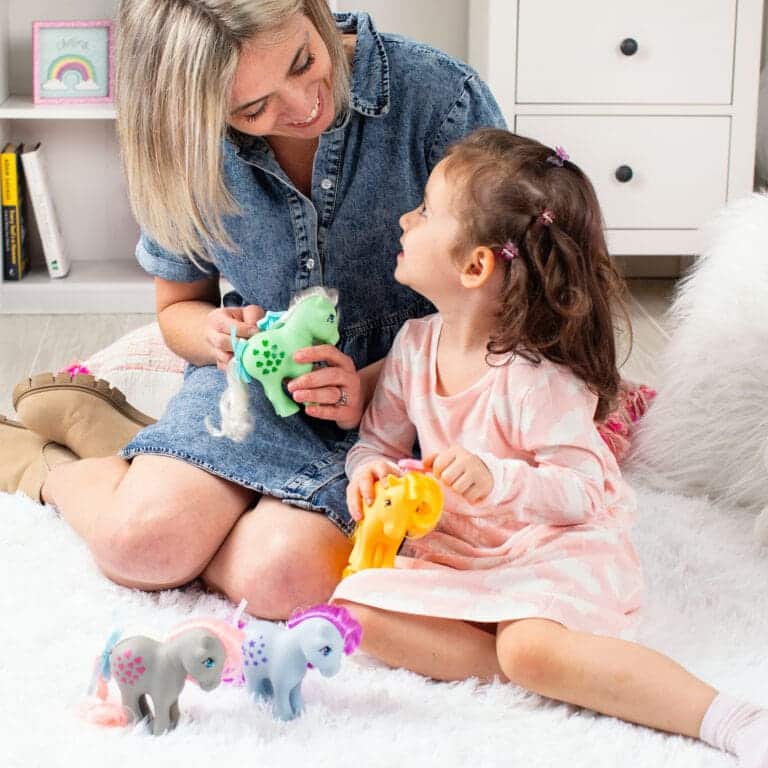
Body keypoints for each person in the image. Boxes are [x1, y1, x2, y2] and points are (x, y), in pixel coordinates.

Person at [0, 0, 505, 618]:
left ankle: (142, 452)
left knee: (289, 578)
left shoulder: (438, 99)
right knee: (139, 546)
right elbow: (179, 309)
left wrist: (373, 385)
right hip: (251, 393)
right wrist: (215, 332)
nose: (301, 106)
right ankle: (44, 467)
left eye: (302, 61)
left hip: (410, 404)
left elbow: (507, 302)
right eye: (252, 109)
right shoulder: (185, 144)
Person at [332, 129, 768, 767]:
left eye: (424, 211)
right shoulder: (415, 346)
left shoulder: (535, 377)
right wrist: (369, 474)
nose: (406, 218)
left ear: (476, 266)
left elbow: (587, 491)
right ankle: (530, 672)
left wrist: (496, 478)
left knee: (529, 645)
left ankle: (725, 716)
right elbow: (375, 442)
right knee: (356, 616)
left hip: (551, 541)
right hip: (466, 546)